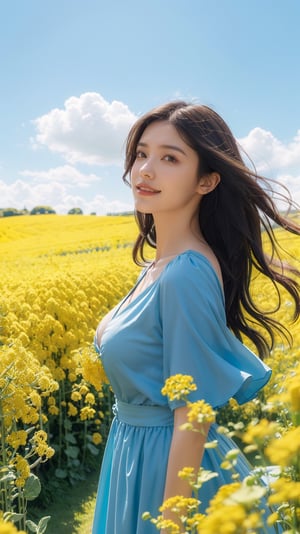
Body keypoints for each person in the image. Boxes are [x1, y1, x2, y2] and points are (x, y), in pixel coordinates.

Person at [92, 101, 300, 533]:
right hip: (136, 457)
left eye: (170, 158)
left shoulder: (185, 272)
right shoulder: (160, 267)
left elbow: (194, 413)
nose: (146, 169)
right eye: (142, 153)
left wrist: (172, 522)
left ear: (206, 181)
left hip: (168, 474)